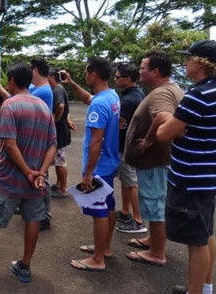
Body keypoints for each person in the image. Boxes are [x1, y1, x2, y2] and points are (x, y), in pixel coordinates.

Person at [0, 63, 57, 283]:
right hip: (36, 182)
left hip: (11, 179)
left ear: (11, 81)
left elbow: (9, 144)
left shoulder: (10, 105)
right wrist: (40, 173)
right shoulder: (45, 108)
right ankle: (25, 266)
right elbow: (52, 145)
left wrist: (27, 171)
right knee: (33, 220)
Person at [156, 40, 216, 294]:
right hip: (210, 175)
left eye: (188, 58)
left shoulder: (197, 95)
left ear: (200, 63)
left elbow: (164, 133)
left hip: (191, 176)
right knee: (206, 233)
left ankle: (195, 292)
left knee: (196, 241)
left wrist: (167, 118)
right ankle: (204, 288)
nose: (184, 62)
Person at [121, 51, 183, 266]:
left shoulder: (160, 94)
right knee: (155, 202)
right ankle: (153, 241)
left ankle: (157, 253)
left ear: (155, 71)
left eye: (143, 68)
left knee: (155, 205)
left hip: (154, 161)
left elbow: (163, 117)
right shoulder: (171, 88)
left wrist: (148, 140)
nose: (140, 71)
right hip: (158, 161)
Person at [62, 57, 120, 271]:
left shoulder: (100, 103)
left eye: (86, 73)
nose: (85, 76)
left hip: (99, 167)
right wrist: (71, 83)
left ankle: (98, 259)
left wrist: (88, 173)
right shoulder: (111, 96)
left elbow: (96, 141)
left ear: (94, 75)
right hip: (110, 162)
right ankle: (104, 248)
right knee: (109, 205)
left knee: (98, 211)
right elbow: (89, 98)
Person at [113, 63, 146, 234]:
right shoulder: (137, 93)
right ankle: (126, 212)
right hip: (129, 145)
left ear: (128, 79)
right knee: (126, 181)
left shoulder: (128, 100)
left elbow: (117, 126)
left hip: (126, 146)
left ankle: (138, 220)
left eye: (118, 77)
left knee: (131, 182)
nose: (115, 79)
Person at [29, 56, 54, 230]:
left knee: (41, 177)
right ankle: (38, 211)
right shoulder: (37, 88)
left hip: (40, 140)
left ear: (36, 70)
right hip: (37, 139)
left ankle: (45, 215)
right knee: (38, 175)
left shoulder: (43, 91)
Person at [47, 68, 72, 198]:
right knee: (58, 160)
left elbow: (61, 106)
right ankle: (58, 185)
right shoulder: (59, 88)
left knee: (60, 160)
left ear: (51, 77)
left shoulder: (57, 90)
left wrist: (55, 119)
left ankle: (62, 189)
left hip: (59, 131)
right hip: (62, 129)